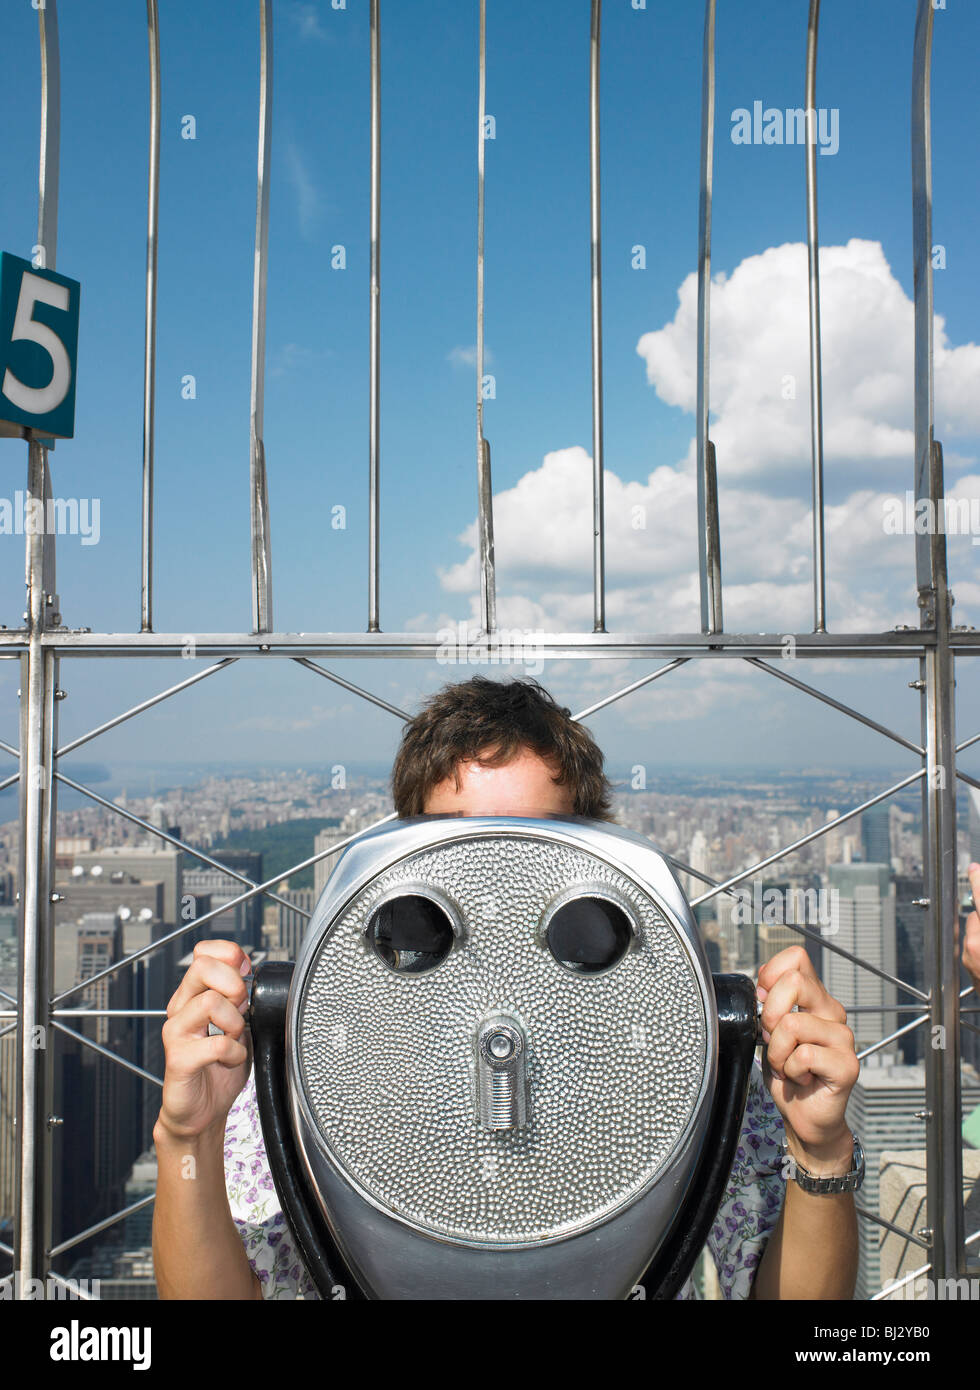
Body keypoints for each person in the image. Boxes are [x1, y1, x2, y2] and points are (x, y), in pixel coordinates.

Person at [153, 675, 864, 1300]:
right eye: (459, 844)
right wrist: (189, 1134)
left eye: (530, 841)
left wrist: (822, 1148)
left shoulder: (670, 1048)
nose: (496, 890)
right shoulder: (330, 1045)